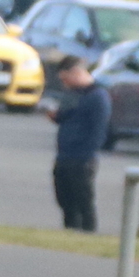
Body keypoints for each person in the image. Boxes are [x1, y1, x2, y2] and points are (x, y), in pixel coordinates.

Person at [44, 54, 108, 233]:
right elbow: (65, 115)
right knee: (65, 200)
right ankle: (70, 232)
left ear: (76, 73)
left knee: (83, 201)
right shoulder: (72, 94)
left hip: (82, 158)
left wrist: (86, 155)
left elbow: (98, 130)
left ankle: (88, 234)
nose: (64, 84)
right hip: (64, 155)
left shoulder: (98, 97)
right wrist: (54, 116)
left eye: (65, 79)